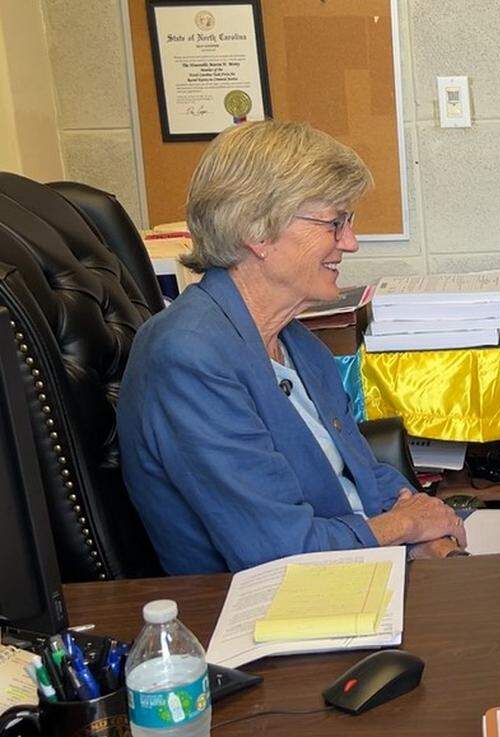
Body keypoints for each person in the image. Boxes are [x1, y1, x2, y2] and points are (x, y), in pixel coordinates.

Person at [119, 120, 467, 575]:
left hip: (355, 571)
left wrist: (426, 531)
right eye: (334, 223)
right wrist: (402, 529)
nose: (350, 242)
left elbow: (364, 473)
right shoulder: (187, 357)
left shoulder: (297, 342)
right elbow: (275, 549)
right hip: (269, 606)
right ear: (257, 232)